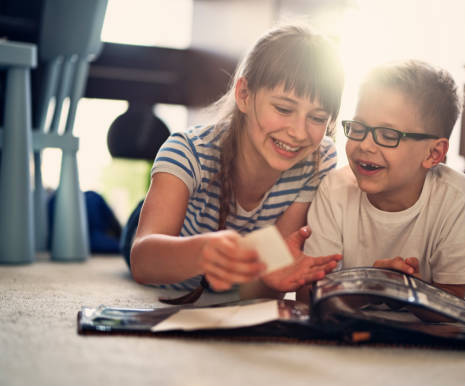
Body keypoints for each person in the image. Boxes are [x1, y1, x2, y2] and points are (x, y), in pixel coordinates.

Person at [123, 24, 344, 300]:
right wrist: (204, 252)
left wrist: (270, 277)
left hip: (231, 269)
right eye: (284, 109)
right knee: (126, 231)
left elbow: (266, 277)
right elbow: (142, 262)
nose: (299, 132)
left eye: (318, 117)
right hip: (165, 230)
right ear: (244, 95)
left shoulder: (318, 158)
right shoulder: (187, 151)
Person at [303, 60, 465, 301]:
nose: (365, 145)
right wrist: (375, 286)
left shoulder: (457, 196)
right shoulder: (334, 190)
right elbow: (308, 296)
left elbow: (452, 310)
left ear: (433, 154)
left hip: (438, 268)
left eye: (387, 135)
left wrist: (410, 290)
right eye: (358, 128)